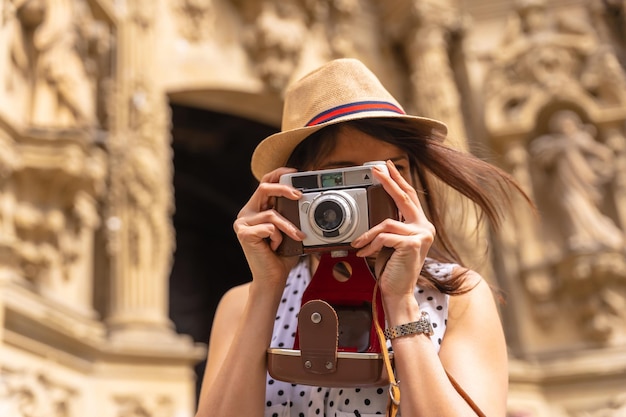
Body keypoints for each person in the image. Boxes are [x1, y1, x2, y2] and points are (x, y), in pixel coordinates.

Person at [195, 58, 528, 417]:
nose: (374, 192)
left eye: (392, 170)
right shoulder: (242, 303)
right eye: (343, 177)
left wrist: (401, 304)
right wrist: (267, 291)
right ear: (292, 189)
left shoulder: (458, 294)